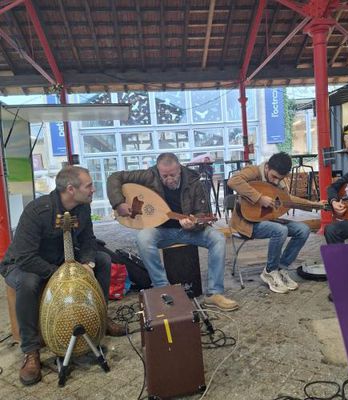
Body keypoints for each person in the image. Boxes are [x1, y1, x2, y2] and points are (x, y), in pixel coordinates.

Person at [0, 166, 125, 386]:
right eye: (89, 185)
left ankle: (103, 319)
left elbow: (88, 240)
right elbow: (25, 257)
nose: (93, 190)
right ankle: (31, 351)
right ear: (70, 189)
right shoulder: (36, 211)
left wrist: (87, 263)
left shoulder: (83, 208)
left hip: (61, 259)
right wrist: (62, 275)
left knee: (104, 261)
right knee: (29, 283)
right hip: (23, 264)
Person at [107, 152, 238, 312]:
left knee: (217, 238)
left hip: (188, 231)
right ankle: (163, 290)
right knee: (143, 238)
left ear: (180, 169)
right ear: (158, 171)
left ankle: (214, 293)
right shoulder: (149, 175)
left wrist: (193, 224)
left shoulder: (193, 181)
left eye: (173, 175)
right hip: (161, 231)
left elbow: (202, 214)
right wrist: (118, 203)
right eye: (165, 175)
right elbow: (114, 177)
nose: (169, 179)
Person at [227, 152, 310, 294]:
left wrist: (314, 204)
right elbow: (233, 181)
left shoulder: (279, 183)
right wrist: (259, 198)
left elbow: (289, 200)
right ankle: (269, 271)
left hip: (270, 220)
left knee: (303, 229)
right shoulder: (254, 171)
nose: (277, 181)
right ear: (267, 167)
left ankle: (280, 268)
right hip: (247, 222)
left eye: (281, 178)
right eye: (274, 177)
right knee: (280, 230)